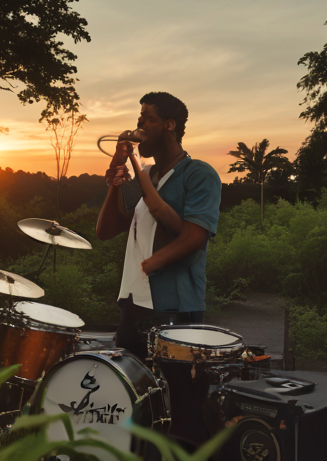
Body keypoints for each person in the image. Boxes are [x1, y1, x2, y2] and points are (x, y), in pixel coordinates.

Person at [96, 91, 221, 447]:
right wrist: (117, 180)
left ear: (169, 125)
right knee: (134, 403)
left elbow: (193, 236)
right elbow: (106, 230)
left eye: (147, 119)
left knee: (183, 409)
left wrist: (154, 263)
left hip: (174, 307)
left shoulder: (199, 174)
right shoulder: (146, 174)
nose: (139, 126)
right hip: (133, 304)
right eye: (139, 119)